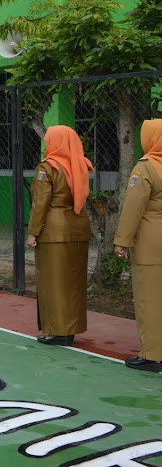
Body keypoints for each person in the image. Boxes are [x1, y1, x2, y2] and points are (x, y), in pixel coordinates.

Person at [26, 125, 94, 347]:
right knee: (74, 282)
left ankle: (58, 331)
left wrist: (33, 232)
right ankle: (71, 328)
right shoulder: (80, 164)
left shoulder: (48, 167)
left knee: (53, 281)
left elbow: (40, 204)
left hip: (54, 231)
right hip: (78, 227)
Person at [114, 119, 162, 372]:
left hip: (150, 240)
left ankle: (153, 355)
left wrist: (122, 241)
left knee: (148, 298)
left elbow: (133, 208)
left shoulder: (145, 168)